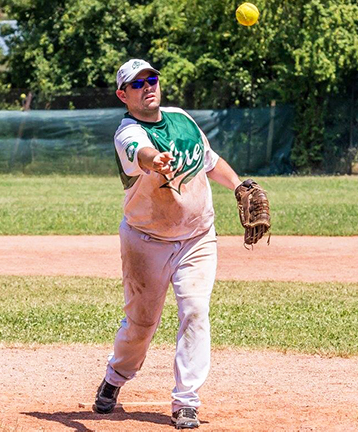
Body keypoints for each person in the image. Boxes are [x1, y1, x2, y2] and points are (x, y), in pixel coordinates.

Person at [92, 59, 243, 429]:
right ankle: (116, 375)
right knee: (142, 323)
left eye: (151, 78)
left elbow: (209, 161)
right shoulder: (127, 132)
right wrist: (154, 160)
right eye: (137, 83)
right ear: (122, 95)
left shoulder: (182, 119)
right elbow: (140, 154)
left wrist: (240, 186)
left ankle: (186, 400)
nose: (148, 86)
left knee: (194, 310)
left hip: (197, 236)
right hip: (147, 240)